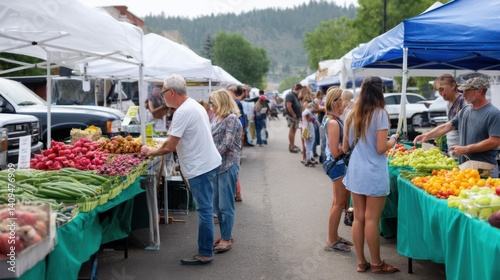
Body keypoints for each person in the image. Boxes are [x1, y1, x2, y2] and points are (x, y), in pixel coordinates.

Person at [141, 74, 221, 265]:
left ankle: (205, 253)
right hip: (208, 163)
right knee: (207, 209)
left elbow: (169, 146)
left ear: (171, 92)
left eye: (163, 93)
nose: (162, 97)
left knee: (205, 211)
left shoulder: (183, 112)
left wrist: (149, 151)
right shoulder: (194, 105)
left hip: (200, 167)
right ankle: (207, 247)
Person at [342, 76, 400, 273]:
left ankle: (361, 262)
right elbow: (381, 148)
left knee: (358, 218)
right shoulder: (380, 114)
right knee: (372, 219)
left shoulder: (351, 113)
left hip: (356, 171)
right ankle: (376, 263)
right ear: (380, 91)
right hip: (373, 172)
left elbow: (345, 146)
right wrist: (393, 139)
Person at [414, 76, 500, 177]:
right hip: (466, 166)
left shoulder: (493, 114)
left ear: (479, 91)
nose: (463, 94)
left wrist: (467, 149)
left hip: (484, 168)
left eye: (467, 91)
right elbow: (448, 126)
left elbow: (494, 141)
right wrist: (428, 135)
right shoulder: (466, 110)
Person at [209, 89, 242, 253]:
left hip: (227, 166)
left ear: (220, 102)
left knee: (225, 205)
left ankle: (227, 238)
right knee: (216, 205)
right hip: (216, 166)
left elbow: (227, 144)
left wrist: (210, 155)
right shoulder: (217, 118)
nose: (211, 106)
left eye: (213, 102)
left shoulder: (232, 119)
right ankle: (225, 234)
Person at [322, 87, 352, 252]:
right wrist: (347, 146)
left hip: (336, 164)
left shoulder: (332, 119)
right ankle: (331, 240)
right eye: (344, 100)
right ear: (336, 103)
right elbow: (335, 151)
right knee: (339, 203)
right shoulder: (333, 122)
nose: (346, 104)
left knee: (337, 202)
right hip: (336, 164)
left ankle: (334, 236)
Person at [433, 74, 466, 159]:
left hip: (463, 151)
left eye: (441, 89)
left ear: (453, 86)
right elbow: (449, 124)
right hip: (453, 149)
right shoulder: (448, 104)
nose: (441, 94)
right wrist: (441, 134)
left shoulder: (463, 102)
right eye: (438, 91)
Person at [298, 87, 315, 164]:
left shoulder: (303, 102)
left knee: (305, 141)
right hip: (307, 126)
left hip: (303, 125)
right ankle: (306, 158)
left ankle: (305, 157)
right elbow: (308, 117)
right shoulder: (307, 103)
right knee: (307, 141)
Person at [285, 83, 303, 153]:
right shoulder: (290, 95)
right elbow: (288, 106)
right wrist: (293, 114)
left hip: (295, 115)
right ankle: (292, 146)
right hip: (292, 116)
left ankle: (292, 144)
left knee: (294, 130)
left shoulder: (294, 95)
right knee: (292, 130)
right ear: (297, 89)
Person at [301, 102, 318, 167]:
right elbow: (310, 119)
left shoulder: (304, 111)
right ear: (312, 107)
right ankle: (308, 160)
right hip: (308, 131)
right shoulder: (308, 112)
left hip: (305, 130)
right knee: (309, 146)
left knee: (307, 145)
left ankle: (308, 158)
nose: (314, 109)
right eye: (314, 108)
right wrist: (315, 120)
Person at [314, 89, 325, 159]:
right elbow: (315, 110)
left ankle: (318, 153)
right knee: (318, 138)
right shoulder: (315, 101)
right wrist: (322, 109)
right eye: (319, 96)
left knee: (320, 138)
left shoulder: (322, 101)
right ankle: (316, 153)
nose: (320, 97)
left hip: (320, 120)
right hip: (318, 120)